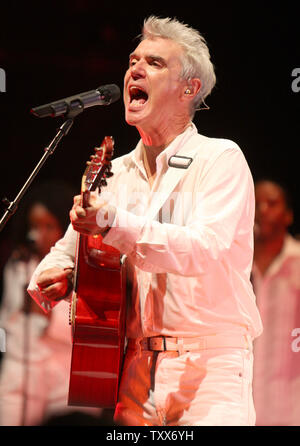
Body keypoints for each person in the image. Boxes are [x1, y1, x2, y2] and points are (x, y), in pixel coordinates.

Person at [28, 16, 263, 426]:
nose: (134, 69)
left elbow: (203, 250)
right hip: (134, 370)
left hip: (210, 370)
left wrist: (113, 222)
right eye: (133, 60)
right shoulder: (113, 173)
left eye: (154, 63)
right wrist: (56, 273)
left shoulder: (220, 159)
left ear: (189, 89)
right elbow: (63, 253)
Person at [0, 180, 102, 425]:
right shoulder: (19, 264)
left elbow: (85, 330)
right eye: (34, 226)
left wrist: (46, 318)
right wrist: (8, 339)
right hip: (20, 371)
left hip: (62, 374)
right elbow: (3, 322)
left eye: (48, 226)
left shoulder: (83, 267)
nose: (39, 234)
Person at [251, 179, 300, 426]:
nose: (262, 211)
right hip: (240, 405)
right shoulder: (233, 265)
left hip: (290, 407)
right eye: (256, 204)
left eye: (272, 204)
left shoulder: (298, 262)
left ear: (288, 215)